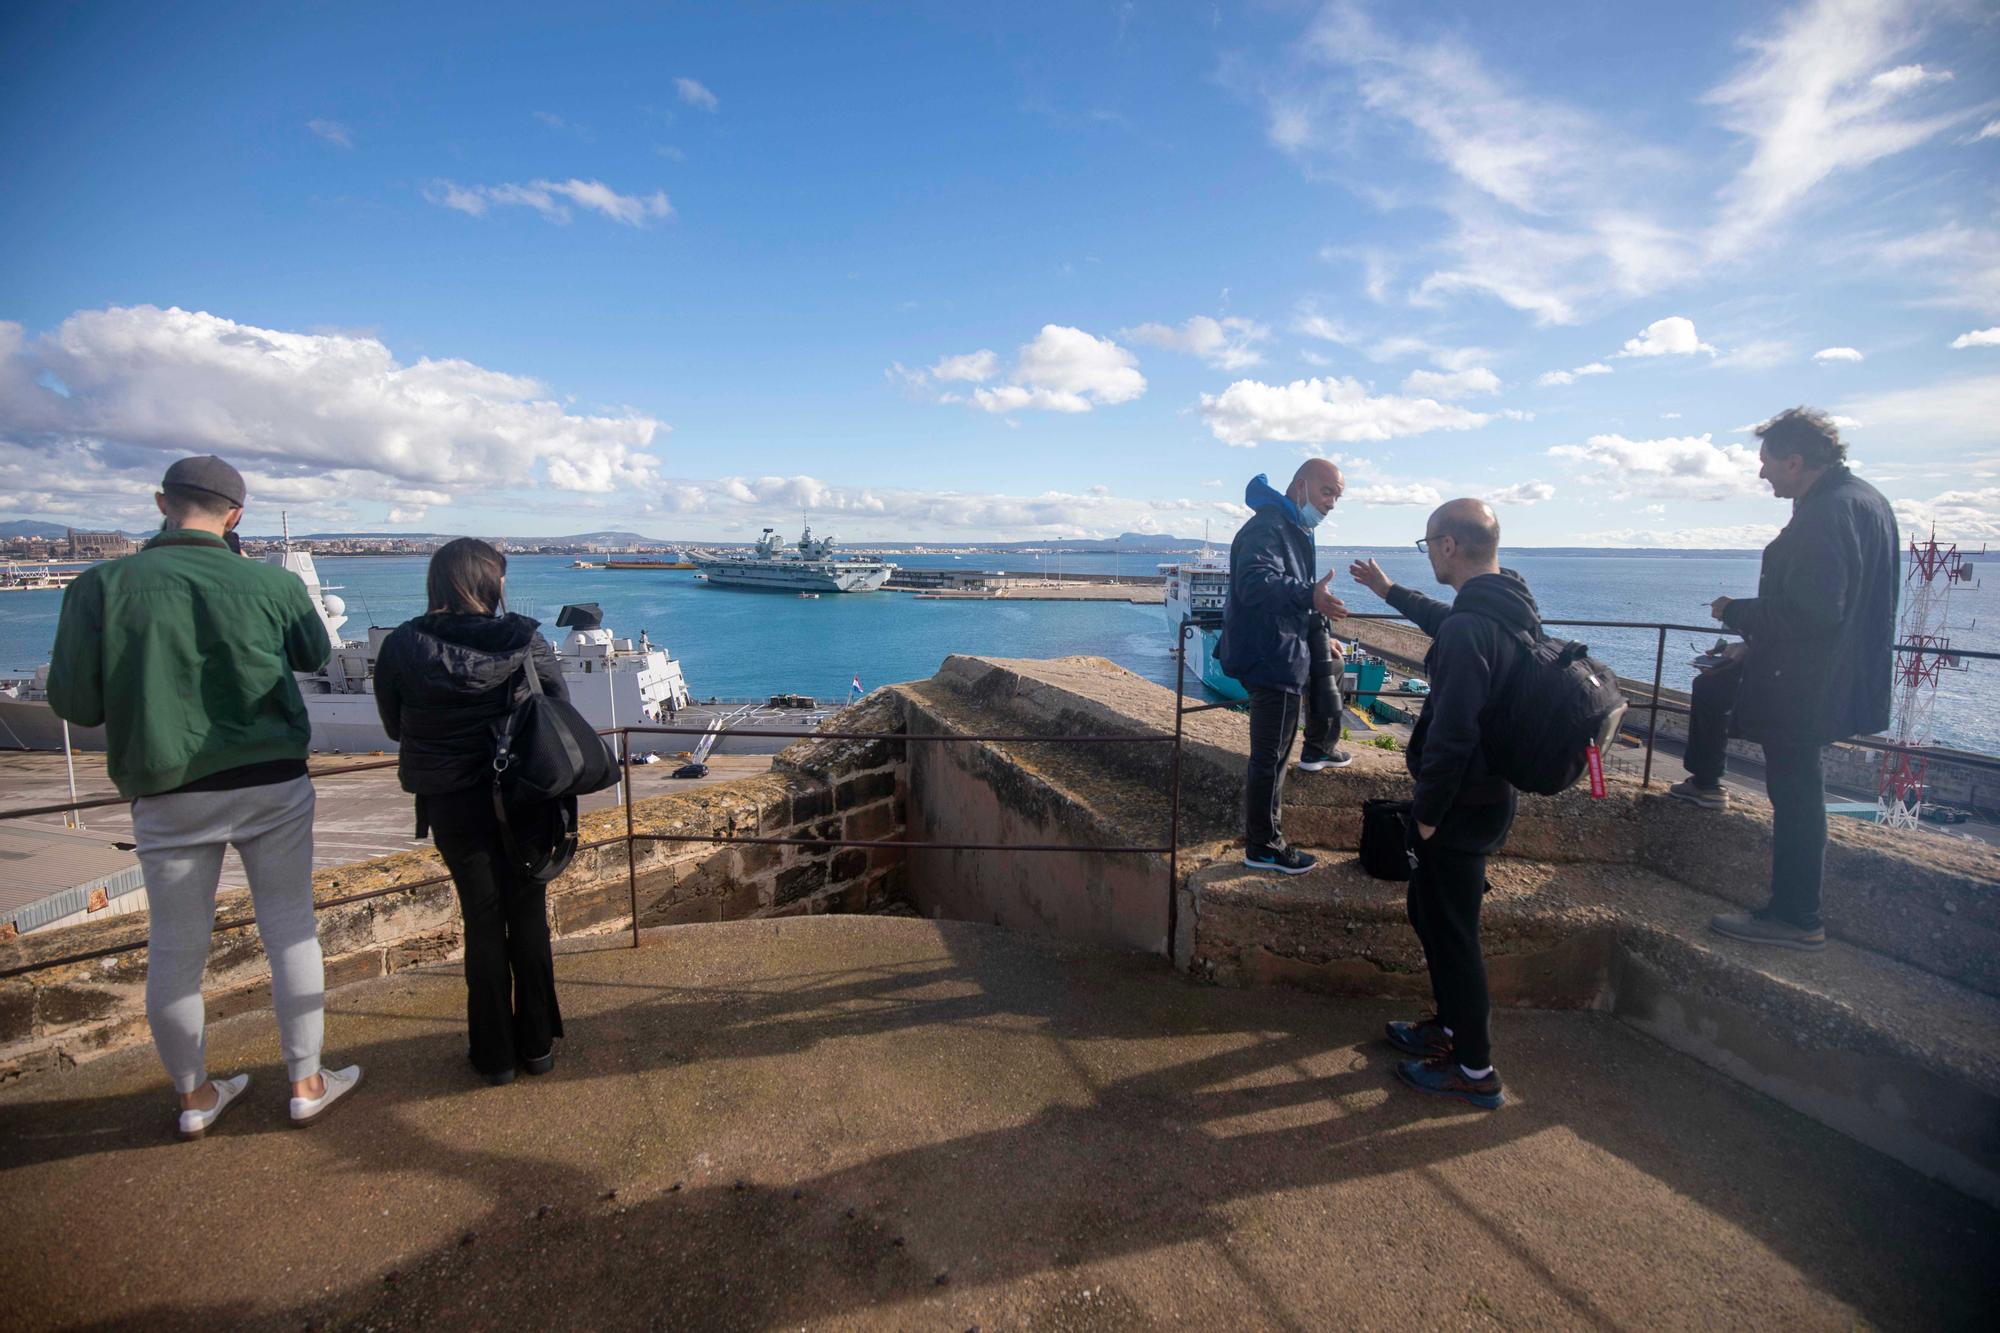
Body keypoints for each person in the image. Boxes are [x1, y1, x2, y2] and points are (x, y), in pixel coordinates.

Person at [47, 456, 361, 1138]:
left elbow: (74, 702)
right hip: (271, 779)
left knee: (176, 947)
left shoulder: (100, 585)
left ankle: (195, 1096)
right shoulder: (269, 581)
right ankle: (306, 1082)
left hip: (166, 787)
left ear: (162, 501)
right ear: (235, 516)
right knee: (290, 928)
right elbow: (312, 653)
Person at [1348, 499, 1534, 1110]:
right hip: (1485, 799)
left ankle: (1475, 1071)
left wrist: (1425, 817)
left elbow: (1451, 736)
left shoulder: (1468, 629)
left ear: (1449, 545)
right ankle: (1451, 1028)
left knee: (1453, 935)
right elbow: (1445, 619)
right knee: (1433, 918)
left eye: (1428, 542)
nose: (1426, 551)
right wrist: (1388, 588)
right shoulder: (1508, 603)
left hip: (1457, 808)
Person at [1699, 408, 1899, 951]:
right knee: (1799, 792)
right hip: (1834, 676)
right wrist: (1753, 646)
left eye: (1766, 463)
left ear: (1795, 460)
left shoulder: (1826, 513)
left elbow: (1813, 612)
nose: (1762, 474)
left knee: (1795, 795)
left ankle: (1794, 916)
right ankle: (1794, 911)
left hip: (1807, 684)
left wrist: (1734, 612)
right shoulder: (1866, 501)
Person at [373, 538, 569, 1084]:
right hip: (525, 798)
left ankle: (493, 1055)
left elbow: (395, 725)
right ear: (492, 583)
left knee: (482, 921)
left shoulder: (402, 644)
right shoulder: (527, 640)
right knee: (527, 916)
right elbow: (558, 713)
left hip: (452, 803)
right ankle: (537, 1046)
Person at [1215, 461, 1352, 874]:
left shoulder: (1293, 527)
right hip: (1268, 655)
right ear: (1300, 487)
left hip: (1280, 646)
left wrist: (1315, 625)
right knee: (1269, 757)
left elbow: (1288, 593)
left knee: (1331, 663)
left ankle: (1317, 747)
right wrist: (1309, 596)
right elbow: (1255, 584)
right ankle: (1264, 846)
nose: (1331, 504)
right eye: (1327, 492)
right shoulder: (1269, 527)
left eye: (1337, 496)